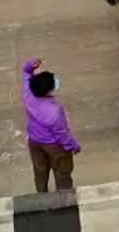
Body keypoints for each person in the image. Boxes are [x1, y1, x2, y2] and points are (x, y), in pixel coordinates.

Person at [21, 58, 80, 193]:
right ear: (48, 92)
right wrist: (73, 146)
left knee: (40, 171)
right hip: (54, 146)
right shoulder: (55, 110)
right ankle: (63, 199)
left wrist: (29, 66)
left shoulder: (28, 94)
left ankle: (41, 196)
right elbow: (61, 134)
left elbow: (25, 74)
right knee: (62, 173)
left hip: (34, 141)